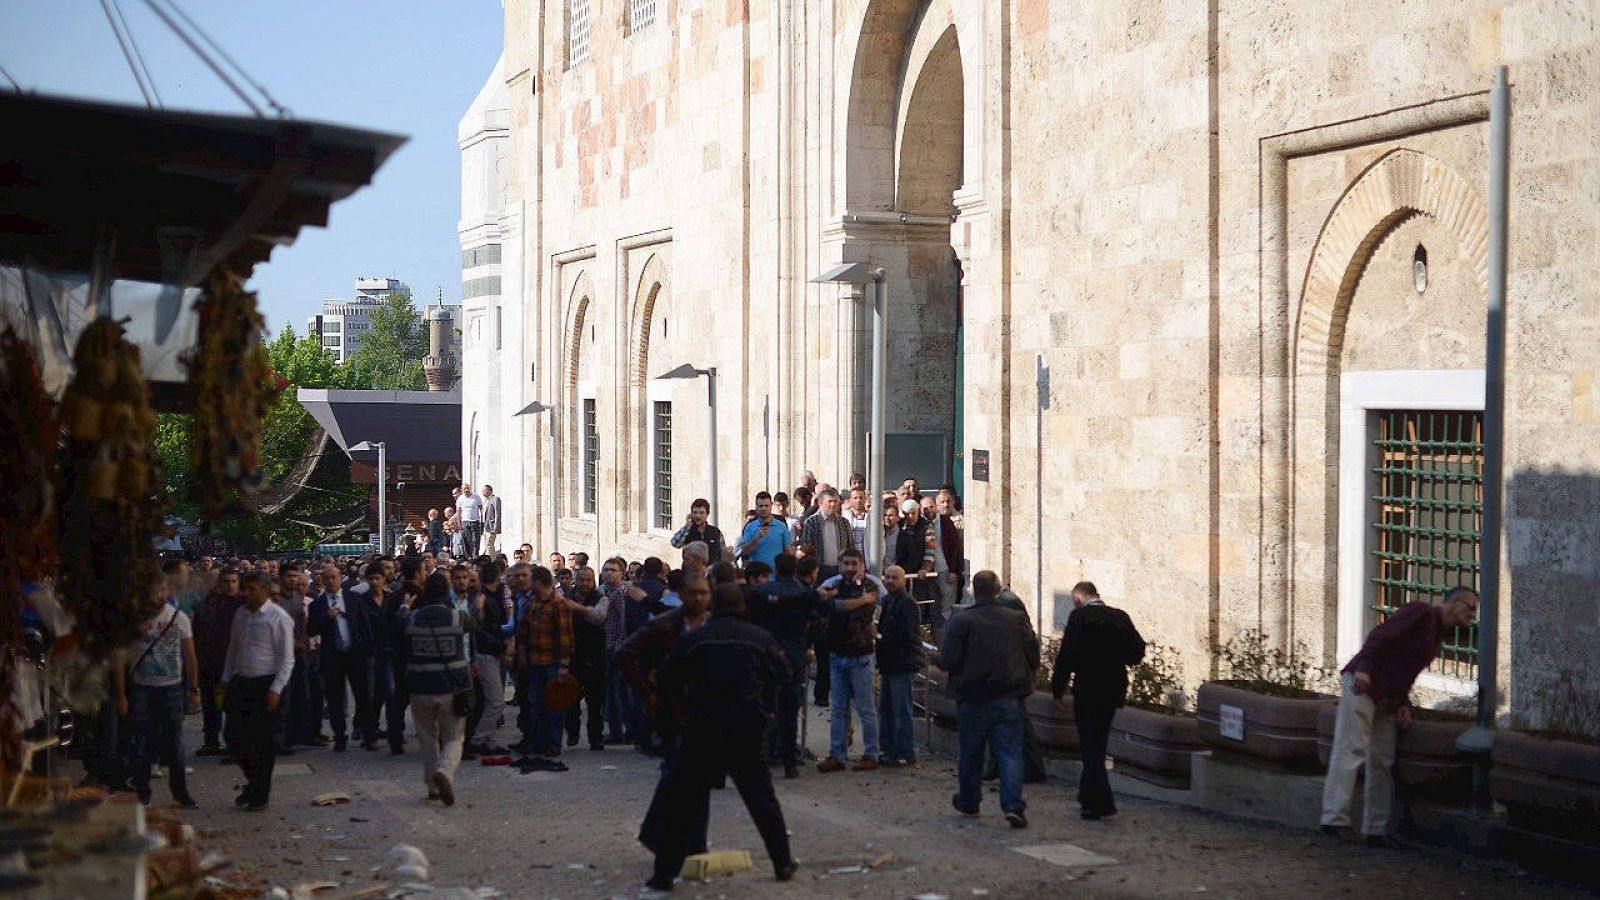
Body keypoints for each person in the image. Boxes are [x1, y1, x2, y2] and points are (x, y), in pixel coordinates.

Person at [645, 583, 799, 892]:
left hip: (702, 727)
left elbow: (667, 677)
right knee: (761, 799)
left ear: (712, 605)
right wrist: (765, 702)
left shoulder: (694, 639)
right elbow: (784, 673)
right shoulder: (759, 637)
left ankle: (664, 874)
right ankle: (782, 861)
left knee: (683, 803)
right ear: (742, 606)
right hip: (746, 727)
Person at [1321, 587, 1479, 846]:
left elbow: (1405, 669)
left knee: (1382, 760)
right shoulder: (1421, 612)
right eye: (1470, 608)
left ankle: (1376, 829)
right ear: (1455, 604)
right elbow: (1380, 637)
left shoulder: (1436, 634)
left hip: (1388, 698)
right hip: (1366, 685)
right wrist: (1364, 670)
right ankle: (1333, 820)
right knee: (1351, 749)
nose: (1472, 616)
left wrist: (1403, 702)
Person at [939, 570, 1039, 828]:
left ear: (974, 589)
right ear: (997, 590)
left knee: (971, 752)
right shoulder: (1015, 618)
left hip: (973, 697)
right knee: (1009, 753)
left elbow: (948, 659)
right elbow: (1033, 653)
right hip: (1007, 695)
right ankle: (1013, 805)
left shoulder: (962, 620)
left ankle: (970, 800)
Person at [1050, 580, 1145, 820]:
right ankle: (1088, 795)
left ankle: (1097, 802)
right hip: (1113, 687)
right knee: (1097, 740)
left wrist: (1057, 689)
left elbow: (1066, 656)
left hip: (1088, 687)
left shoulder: (1079, 619)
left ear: (1079, 599)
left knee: (1090, 743)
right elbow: (1137, 650)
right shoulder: (1119, 617)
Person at [115, 586, 200, 808]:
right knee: (142, 742)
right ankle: (142, 791)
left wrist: (193, 688)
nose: (155, 596)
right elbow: (120, 659)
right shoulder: (133, 620)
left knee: (175, 744)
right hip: (141, 688)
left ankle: (180, 792)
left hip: (171, 688)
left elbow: (190, 656)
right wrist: (121, 695)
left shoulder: (178, 618)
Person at [398, 571, 475, 805]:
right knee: (453, 738)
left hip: (420, 687)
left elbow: (399, 625)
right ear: (446, 591)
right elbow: (474, 625)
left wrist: (405, 606)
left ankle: (432, 787)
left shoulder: (413, 618)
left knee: (427, 738)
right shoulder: (456, 617)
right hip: (450, 687)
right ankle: (445, 771)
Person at [220, 572, 295, 812]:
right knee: (233, 736)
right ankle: (254, 783)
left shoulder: (278, 617)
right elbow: (233, 647)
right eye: (246, 589)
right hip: (241, 681)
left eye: (252, 589)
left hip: (267, 683)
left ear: (264, 590)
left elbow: (287, 659)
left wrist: (276, 689)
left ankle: (260, 793)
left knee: (262, 742)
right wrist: (225, 677)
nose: (247, 594)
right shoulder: (241, 615)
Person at [747, 553, 820, 778]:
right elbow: (813, 621)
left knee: (767, 708)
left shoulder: (763, 592)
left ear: (776, 569)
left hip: (768, 656)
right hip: (794, 656)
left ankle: (766, 756)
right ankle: (789, 761)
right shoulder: (804, 593)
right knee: (790, 711)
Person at [815, 549, 882, 772]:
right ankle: (837, 754)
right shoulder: (834, 584)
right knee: (838, 709)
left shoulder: (870, 585)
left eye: (854, 563)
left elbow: (862, 606)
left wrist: (857, 600)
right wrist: (859, 600)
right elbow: (833, 606)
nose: (850, 568)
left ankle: (871, 753)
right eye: (846, 563)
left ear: (862, 565)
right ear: (839, 564)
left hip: (861, 655)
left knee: (866, 708)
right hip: (837, 654)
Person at [308, 562, 378, 753]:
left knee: (363, 697)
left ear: (341, 579)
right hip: (332, 658)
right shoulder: (317, 605)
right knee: (335, 700)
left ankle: (368, 735)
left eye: (334, 577)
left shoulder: (354, 598)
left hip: (356, 654)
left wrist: (370, 652)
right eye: (327, 578)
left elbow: (366, 626)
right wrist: (326, 618)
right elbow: (311, 630)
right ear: (321, 580)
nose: (330, 581)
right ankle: (340, 736)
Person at [515, 565, 574, 770]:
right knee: (535, 704)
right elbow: (524, 629)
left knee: (554, 705)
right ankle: (539, 742)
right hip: (535, 662)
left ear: (539, 582)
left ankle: (553, 743)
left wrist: (564, 667)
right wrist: (521, 650)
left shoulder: (559, 604)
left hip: (553, 663)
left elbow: (566, 639)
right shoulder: (534, 602)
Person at [876, 565, 924, 768]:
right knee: (887, 709)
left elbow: (908, 636)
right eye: (887, 577)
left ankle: (905, 752)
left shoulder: (907, 604)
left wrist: (880, 637)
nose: (889, 581)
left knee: (901, 711)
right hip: (889, 663)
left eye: (894, 577)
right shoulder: (888, 601)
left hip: (902, 664)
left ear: (903, 580)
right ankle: (890, 751)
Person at [192, 568, 243, 757]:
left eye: (233, 581)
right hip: (210, 664)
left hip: (233, 666)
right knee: (211, 705)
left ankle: (234, 744)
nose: (229, 585)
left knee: (231, 707)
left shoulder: (243, 606)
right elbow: (197, 634)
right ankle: (211, 741)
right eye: (225, 581)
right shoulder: (206, 606)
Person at [465, 561, 514, 757]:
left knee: (489, 700)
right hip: (486, 653)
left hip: (490, 651)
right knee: (496, 702)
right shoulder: (484, 598)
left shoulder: (490, 596)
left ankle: (488, 740)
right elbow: (482, 630)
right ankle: (478, 739)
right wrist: (503, 648)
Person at [563, 566, 610, 751]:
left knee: (595, 701)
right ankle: (572, 733)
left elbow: (599, 617)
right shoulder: (568, 597)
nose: (585, 584)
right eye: (582, 580)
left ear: (593, 581)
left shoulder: (601, 598)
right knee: (571, 699)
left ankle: (595, 738)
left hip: (594, 654)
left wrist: (577, 608)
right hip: (572, 654)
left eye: (588, 580)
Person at [800, 488, 856, 580]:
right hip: (819, 570)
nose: (833, 504)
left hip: (841, 569)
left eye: (835, 501)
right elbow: (807, 546)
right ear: (820, 503)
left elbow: (850, 546)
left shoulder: (844, 522)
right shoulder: (812, 522)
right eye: (830, 501)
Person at [737, 492, 792, 569]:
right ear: (756, 508)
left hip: (776, 575)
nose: (764, 508)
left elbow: (788, 551)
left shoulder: (781, 526)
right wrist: (757, 538)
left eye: (766, 506)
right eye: (761, 506)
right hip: (757, 576)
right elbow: (744, 552)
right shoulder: (749, 527)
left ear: (771, 506)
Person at [669, 498, 727, 564]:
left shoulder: (715, 532)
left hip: (711, 571)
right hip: (691, 571)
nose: (698, 516)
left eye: (701, 513)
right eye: (695, 513)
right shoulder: (687, 531)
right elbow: (675, 543)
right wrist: (687, 526)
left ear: (707, 514)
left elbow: (723, 553)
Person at [481, 485, 502, 557]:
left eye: (484, 490)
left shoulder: (495, 499)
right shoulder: (485, 501)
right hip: (485, 526)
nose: (483, 492)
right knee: (488, 546)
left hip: (491, 527)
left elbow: (497, 513)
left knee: (489, 545)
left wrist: (495, 528)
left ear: (490, 490)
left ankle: (489, 561)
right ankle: (492, 559)